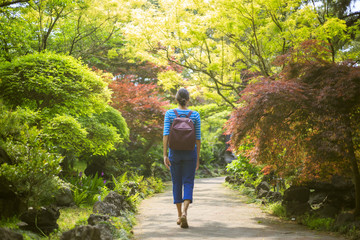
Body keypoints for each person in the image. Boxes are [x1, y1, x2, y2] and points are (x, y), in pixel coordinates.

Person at [163, 88, 201, 229]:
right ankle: (185, 212)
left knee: (176, 183)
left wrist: (165, 154)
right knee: (188, 182)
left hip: (175, 153)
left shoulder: (170, 114)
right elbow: (198, 138)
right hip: (190, 153)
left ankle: (179, 215)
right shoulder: (195, 115)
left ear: (176, 99)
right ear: (188, 99)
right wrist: (197, 158)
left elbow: (166, 135)